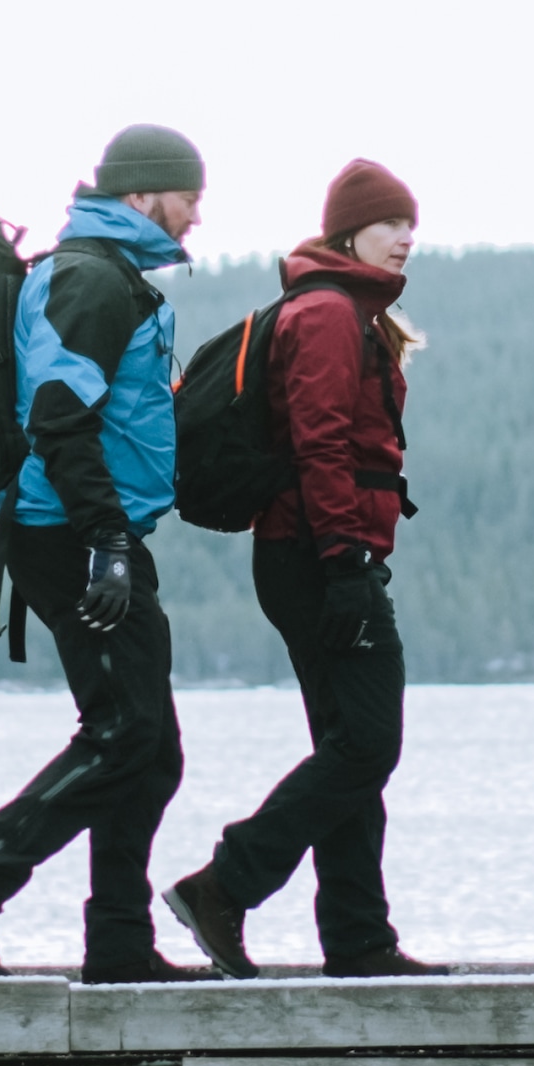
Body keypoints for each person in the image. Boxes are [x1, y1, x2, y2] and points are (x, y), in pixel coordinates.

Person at [0, 124, 214, 982]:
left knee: (148, 748)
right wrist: (108, 542)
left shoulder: (105, 277)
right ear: (147, 195)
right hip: (72, 533)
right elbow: (59, 416)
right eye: (190, 197)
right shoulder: (89, 282)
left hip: (86, 530)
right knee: (123, 735)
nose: (196, 215)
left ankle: (117, 940)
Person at [160, 158, 444, 978]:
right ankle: (224, 885)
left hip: (318, 555)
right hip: (319, 558)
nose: (406, 239)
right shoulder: (324, 314)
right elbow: (320, 445)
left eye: (410, 225)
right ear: (348, 229)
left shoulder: (344, 311)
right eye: (391, 223)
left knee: (349, 745)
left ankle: (357, 938)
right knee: (366, 746)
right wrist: (345, 561)